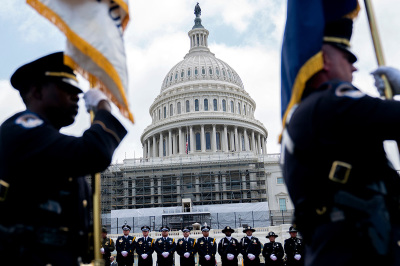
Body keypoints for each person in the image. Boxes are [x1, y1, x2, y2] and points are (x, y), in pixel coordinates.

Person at [281, 17, 400, 266]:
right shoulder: (335, 102)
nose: (354, 69)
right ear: (324, 61)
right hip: (358, 249)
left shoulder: (305, 114)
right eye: (348, 59)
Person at [0, 52, 127, 265]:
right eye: (67, 89)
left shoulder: (52, 143)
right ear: (37, 91)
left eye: (77, 91)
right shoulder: (23, 129)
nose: (76, 97)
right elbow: (94, 152)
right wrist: (104, 107)